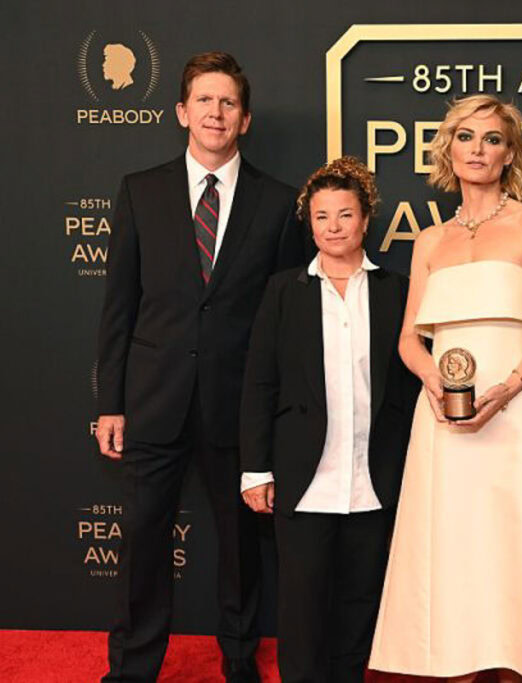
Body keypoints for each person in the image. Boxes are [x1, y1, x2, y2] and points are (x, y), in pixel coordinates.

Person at [368, 94, 522, 683]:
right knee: (455, 549)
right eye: (466, 137)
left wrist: (510, 387)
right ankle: (457, 662)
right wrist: (432, 381)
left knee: (517, 544)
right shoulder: (429, 241)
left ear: (510, 154)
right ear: (448, 149)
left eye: (492, 139)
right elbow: (409, 340)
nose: (478, 149)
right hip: (444, 418)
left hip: (516, 410)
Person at [94, 51, 305, 683]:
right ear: (182, 111)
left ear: (245, 119)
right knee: (142, 543)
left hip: (237, 405)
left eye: (229, 103)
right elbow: (119, 305)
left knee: (241, 545)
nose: (216, 112)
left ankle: (239, 660)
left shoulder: (279, 203)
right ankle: (133, 668)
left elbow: (283, 321)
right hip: (153, 399)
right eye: (205, 100)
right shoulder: (141, 191)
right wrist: (111, 403)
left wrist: (274, 411)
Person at [239, 157, 417, 683]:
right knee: (302, 610)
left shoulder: (397, 290)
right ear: (309, 224)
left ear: (365, 219)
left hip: (373, 478)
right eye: (322, 216)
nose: (333, 227)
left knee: (359, 607)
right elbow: (259, 383)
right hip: (305, 480)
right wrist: (255, 469)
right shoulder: (283, 290)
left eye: (345, 214)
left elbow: (407, 388)